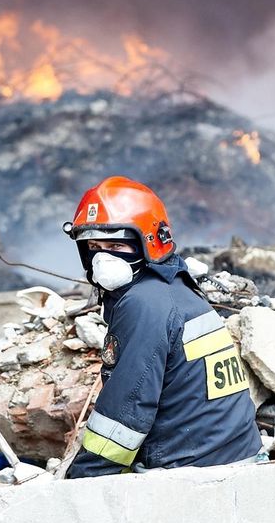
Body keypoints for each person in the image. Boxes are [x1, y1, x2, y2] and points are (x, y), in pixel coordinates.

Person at [63, 176, 262, 477]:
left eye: (116, 244)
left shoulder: (144, 303)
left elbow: (126, 415)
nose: (102, 258)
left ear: (150, 242)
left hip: (196, 475)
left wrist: (81, 480)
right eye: (93, 245)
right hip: (234, 456)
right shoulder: (175, 288)